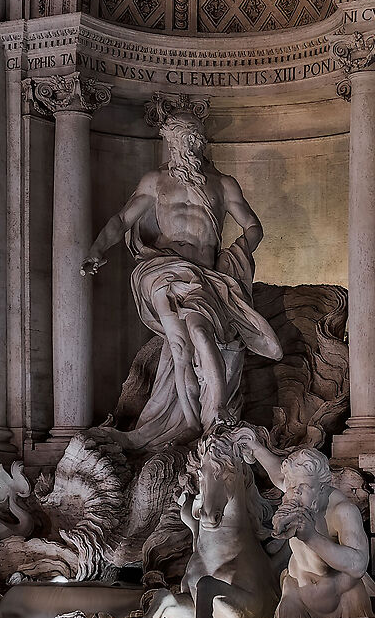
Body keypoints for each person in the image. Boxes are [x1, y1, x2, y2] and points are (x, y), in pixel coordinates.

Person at [84, 108, 280, 450]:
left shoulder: (222, 183)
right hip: (163, 269)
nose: (188, 147)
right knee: (179, 342)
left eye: (193, 140)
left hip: (205, 276)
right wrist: (97, 249)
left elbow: (253, 226)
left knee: (198, 336)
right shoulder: (155, 181)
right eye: (181, 141)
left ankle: (210, 418)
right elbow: (121, 219)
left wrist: (237, 252)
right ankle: (194, 421)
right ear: (170, 143)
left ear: (201, 143)